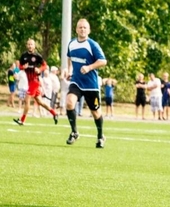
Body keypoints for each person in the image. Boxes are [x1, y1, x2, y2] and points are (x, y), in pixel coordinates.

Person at [62, 19, 108, 148]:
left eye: (85, 27)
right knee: (69, 102)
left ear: (89, 30)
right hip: (76, 81)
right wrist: (69, 70)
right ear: (76, 29)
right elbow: (69, 57)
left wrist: (89, 67)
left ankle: (100, 136)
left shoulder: (92, 44)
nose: (82, 29)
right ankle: (74, 132)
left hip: (91, 85)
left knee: (96, 112)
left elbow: (103, 61)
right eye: (80, 27)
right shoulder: (71, 43)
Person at [13, 39, 58, 126]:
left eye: (31, 44)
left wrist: (39, 69)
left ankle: (22, 120)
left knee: (27, 100)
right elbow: (20, 66)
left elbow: (45, 65)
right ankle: (54, 113)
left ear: (34, 46)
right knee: (40, 102)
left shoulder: (37, 56)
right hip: (30, 82)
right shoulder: (24, 56)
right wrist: (23, 67)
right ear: (27, 45)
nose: (30, 46)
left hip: (35, 81)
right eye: (28, 44)